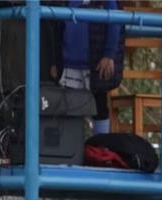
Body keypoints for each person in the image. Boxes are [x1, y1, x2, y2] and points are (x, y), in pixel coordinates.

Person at [51, 0, 124, 136]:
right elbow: (58, 28)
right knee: (70, 107)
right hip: (69, 62)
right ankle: (72, 148)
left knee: (99, 105)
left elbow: (115, 21)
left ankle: (100, 148)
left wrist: (109, 54)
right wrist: (56, 61)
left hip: (95, 62)